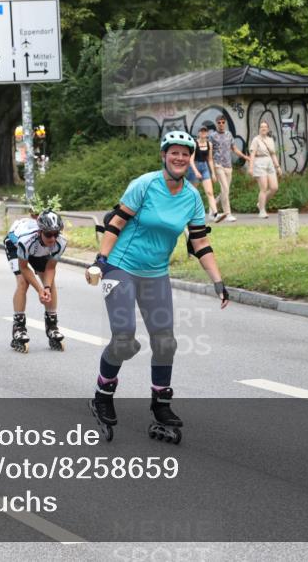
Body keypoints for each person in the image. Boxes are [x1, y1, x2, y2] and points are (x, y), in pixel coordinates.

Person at [87, 131, 230, 443]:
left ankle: (161, 405)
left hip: (155, 274)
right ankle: (102, 395)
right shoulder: (144, 185)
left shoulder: (192, 197)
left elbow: (200, 242)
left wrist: (218, 281)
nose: (179, 158)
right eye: (174, 153)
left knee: (166, 342)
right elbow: (116, 223)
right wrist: (100, 260)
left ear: (191, 158)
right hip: (121, 267)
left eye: (185, 154)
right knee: (124, 338)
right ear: (164, 155)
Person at [4, 210, 68, 353]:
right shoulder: (26, 241)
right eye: (48, 234)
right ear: (40, 231)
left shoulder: (60, 243)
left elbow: (51, 268)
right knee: (23, 282)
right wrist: (39, 290)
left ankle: (52, 326)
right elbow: (24, 267)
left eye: (56, 233)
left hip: (38, 249)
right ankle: (18, 328)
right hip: (15, 245)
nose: (53, 238)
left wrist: (46, 287)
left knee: (50, 283)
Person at [209, 116, 250, 222]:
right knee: (225, 189)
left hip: (228, 166)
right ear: (216, 123)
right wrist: (212, 168)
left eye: (223, 122)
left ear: (225, 123)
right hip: (218, 165)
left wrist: (244, 157)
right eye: (219, 122)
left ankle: (212, 206)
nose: (221, 124)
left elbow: (234, 148)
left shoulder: (229, 134)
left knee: (225, 190)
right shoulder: (212, 136)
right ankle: (228, 214)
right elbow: (209, 153)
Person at [249, 120, 283, 218]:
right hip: (259, 163)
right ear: (259, 129)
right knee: (263, 188)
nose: (263, 128)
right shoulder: (256, 140)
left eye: (265, 127)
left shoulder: (270, 140)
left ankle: (260, 204)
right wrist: (251, 167)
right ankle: (262, 211)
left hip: (270, 163)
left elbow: (273, 154)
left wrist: (278, 167)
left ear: (268, 129)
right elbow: (252, 154)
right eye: (261, 127)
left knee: (274, 187)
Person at [188, 126, 220, 220]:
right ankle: (190, 214)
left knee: (210, 192)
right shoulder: (194, 144)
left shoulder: (209, 144)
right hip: (195, 166)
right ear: (199, 133)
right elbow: (191, 160)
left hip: (205, 167)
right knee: (192, 193)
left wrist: (213, 173)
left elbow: (210, 159)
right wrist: (196, 171)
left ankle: (215, 214)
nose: (203, 133)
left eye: (205, 132)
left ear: (207, 133)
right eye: (201, 131)